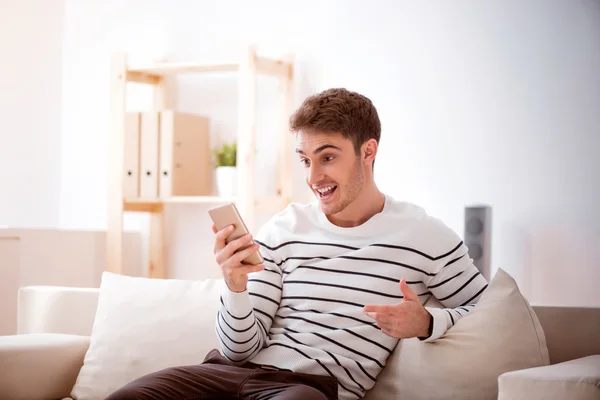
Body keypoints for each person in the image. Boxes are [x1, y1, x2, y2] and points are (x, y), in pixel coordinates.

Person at [107, 88, 489, 400]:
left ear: (368, 152)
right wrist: (235, 287)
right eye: (305, 160)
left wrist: (427, 322)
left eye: (327, 157)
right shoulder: (284, 229)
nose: (314, 176)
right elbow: (239, 349)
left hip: (307, 389)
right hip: (225, 374)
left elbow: (489, 311)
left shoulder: (424, 235)